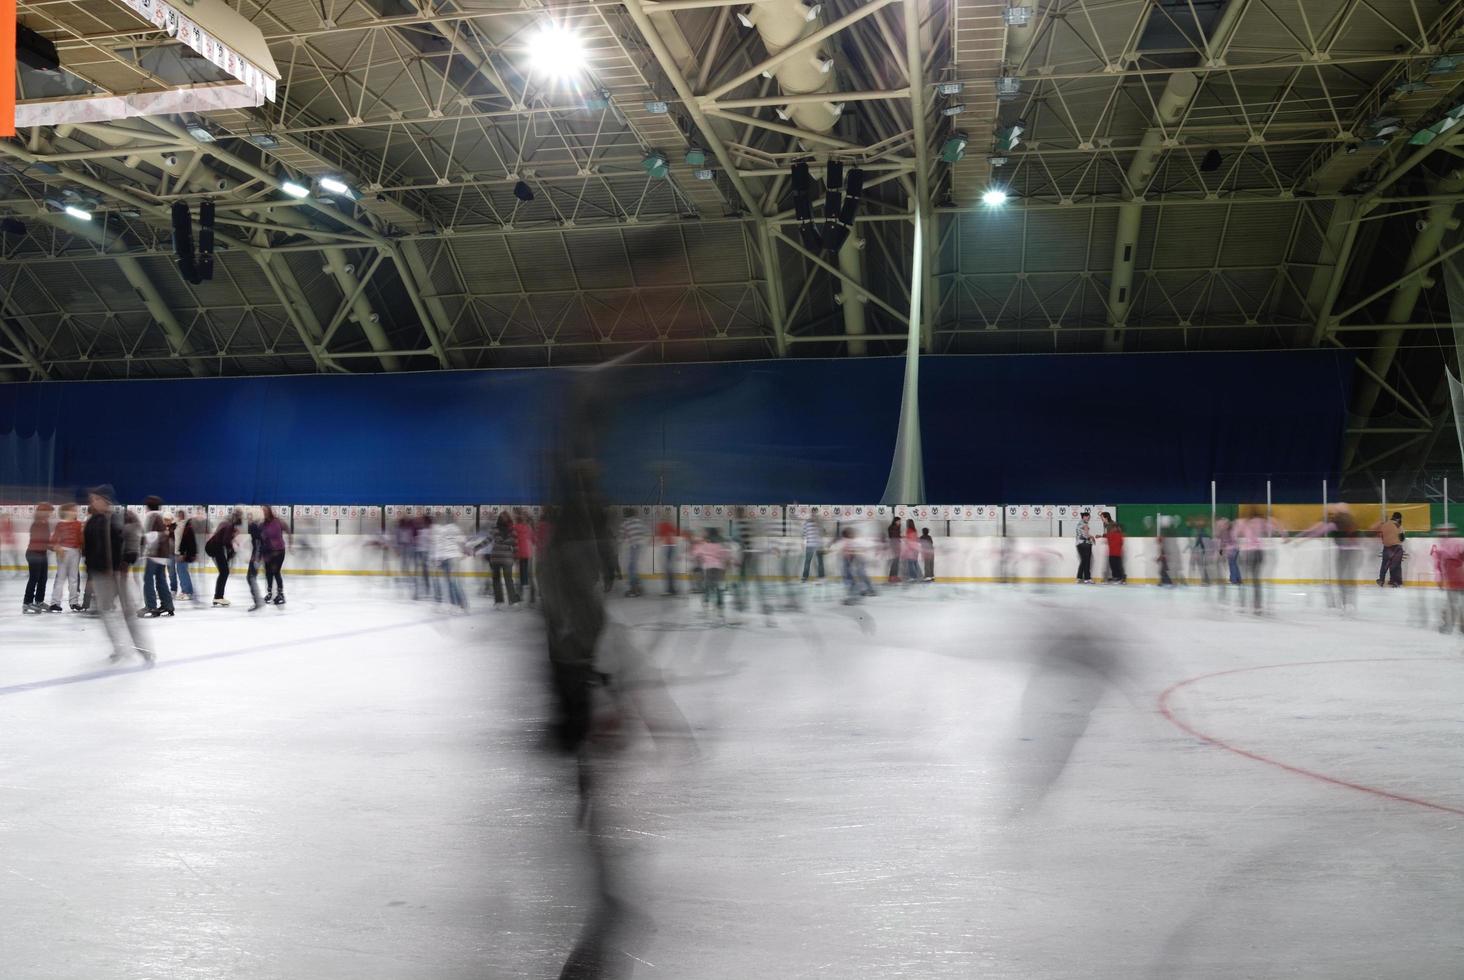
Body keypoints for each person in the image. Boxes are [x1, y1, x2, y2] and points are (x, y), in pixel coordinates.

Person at [83, 485, 151, 663]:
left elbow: (134, 539)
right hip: (100, 575)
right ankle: (118, 647)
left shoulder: (120, 517)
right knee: (105, 612)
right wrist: (89, 576)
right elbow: (87, 551)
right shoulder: (92, 522)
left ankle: (142, 647)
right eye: (92, 499)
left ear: (106, 499)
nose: (93, 502)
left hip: (118, 574)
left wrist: (128, 560)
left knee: (128, 612)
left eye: (96, 499)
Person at [139, 495, 175, 618]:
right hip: (163, 554)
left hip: (154, 554)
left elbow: (151, 535)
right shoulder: (161, 515)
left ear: (148, 506)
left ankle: (151, 606)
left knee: (148, 579)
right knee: (161, 579)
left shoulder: (151, 516)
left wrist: (142, 544)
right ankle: (167, 605)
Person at [205, 509, 242, 606]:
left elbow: (226, 542)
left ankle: (218, 597)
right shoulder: (229, 526)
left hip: (214, 547)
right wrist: (232, 551)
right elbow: (226, 542)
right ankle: (218, 597)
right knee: (224, 572)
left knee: (224, 571)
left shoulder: (228, 525)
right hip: (214, 547)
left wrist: (230, 555)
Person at [22, 503, 54, 613]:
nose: (50, 514)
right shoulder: (36, 524)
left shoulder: (45, 523)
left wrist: (53, 545)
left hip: (42, 554)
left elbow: (46, 540)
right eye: (49, 512)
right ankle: (27, 603)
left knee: (43, 579)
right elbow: (39, 541)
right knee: (34, 578)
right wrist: (54, 547)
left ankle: (39, 601)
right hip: (34, 553)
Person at [431, 514, 468, 609]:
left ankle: (456, 604)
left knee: (450, 582)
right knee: (453, 581)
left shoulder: (441, 530)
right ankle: (460, 603)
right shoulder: (456, 528)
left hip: (447, 558)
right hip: (453, 557)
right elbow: (463, 541)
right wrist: (463, 551)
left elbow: (439, 545)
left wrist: (438, 559)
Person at [52, 503, 83, 611]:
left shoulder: (78, 524)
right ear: (66, 512)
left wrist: (81, 548)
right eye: (73, 510)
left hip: (75, 552)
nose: (75, 512)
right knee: (60, 578)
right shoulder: (60, 525)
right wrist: (57, 547)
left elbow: (80, 538)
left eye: (75, 510)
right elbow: (53, 540)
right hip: (63, 552)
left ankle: (74, 602)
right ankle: (55, 603)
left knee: (73, 578)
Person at [694, 527, 729, 615]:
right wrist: (725, 566)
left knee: (708, 585)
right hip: (719, 568)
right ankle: (720, 603)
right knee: (719, 586)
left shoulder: (704, 545)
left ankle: (706, 601)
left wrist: (700, 560)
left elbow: (697, 554)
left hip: (708, 567)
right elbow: (725, 556)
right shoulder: (720, 545)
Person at [259, 505, 288, 606]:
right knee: (268, 573)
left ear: (269, 512)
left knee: (276, 572)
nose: (263, 513)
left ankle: (280, 594)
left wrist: (291, 542)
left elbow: (287, 528)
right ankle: (269, 593)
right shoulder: (262, 524)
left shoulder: (277, 521)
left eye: (265, 511)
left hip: (279, 551)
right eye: (262, 511)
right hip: (268, 551)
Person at [490, 511, 521, 606]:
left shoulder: (494, 530)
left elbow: (486, 541)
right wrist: (516, 558)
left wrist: (475, 548)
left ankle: (499, 601)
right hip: (507, 558)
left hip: (495, 558)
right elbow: (515, 546)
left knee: (496, 580)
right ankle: (513, 601)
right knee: (508, 579)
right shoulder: (513, 531)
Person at [619, 507, 647, 598]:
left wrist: (618, 543)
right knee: (633, 567)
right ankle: (638, 587)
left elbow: (621, 536)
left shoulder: (625, 523)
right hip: (640, 545)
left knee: (631, 568)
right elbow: (645, 531)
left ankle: (634, 589)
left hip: (634, 546)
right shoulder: (639, 521)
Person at [1374, 511, 1405, 587]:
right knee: (1396, 566)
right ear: (1398, 518)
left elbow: (1382, 536)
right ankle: (1395, 582)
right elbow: (1402, 538)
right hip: (1396, 548)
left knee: (1384, 565)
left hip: (1387, 547)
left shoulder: (1384, 525)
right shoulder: (1398, 525)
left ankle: (1381, 580)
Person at [174, 509, 199, 602]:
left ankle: (187, 592)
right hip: (178, 552)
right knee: (181, 572)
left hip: (182, 553)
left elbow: (186, 541)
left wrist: (182, 553)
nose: (179, 516)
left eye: (181, 514)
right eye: (178, 514)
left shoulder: (185, 526)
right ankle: (186, 591)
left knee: (183, 571)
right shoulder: (178, 524)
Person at [513, 509, 536, 605]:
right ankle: (530, 596)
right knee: (527, 575)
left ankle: (521, 595)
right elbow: (534, 540)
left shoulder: (517, 527)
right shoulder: (529, 528)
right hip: (526, 554)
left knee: (521, 576)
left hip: (522, 554)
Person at [656, 515, 680, 595]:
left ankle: (670, 589)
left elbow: (660, 535)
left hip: (668, 547)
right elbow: (675, 532)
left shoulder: (663, 525)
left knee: (668, 569)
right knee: (669, 568)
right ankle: (671, 589)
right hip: (671, 547)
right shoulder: (668, 524)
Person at [1100, 512, 1126, 584]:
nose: (1101, 519)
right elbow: (1108, 535)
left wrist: (1106, 536)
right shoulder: (1106, 525)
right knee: (1112, 563)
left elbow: (1114, 535)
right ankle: (1115, 577)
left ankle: (1120, 578)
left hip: (1116, 549)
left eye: (1102, 517)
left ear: (1106, 517)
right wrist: (1102, 536)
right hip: (1112, 548)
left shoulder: (1112, 525)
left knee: (1117, 564)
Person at [800, 512, 825, 582]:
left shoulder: (815, 523)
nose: (813, 516)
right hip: (814, 545)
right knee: (809, 562)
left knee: (818, 562)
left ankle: (820, 577)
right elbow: (804, 534)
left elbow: (804, 534)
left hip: (815, 545)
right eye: (813, 515)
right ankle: (806, 577)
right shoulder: (816, 523)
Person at [1074, 510, 1094, 584]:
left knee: (1084, 561)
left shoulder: (1079, 523)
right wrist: (1092, 537)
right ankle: (1087, 578)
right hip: (1085, 544)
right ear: (1084, 517)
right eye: (1088, 517)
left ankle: (1079, 577)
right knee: (1087, 561)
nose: (1089, 519)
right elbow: (1086, 535)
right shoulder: (1084, 524)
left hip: (1079, 544)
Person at [902, 519, 921, 583]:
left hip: (911, 549)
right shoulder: (915, 530)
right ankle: (917, 576)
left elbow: (908, 540)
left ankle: (913, 577)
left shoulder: (908, 530)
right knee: (915, 563)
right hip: (916, 548)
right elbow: (915, 539)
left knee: (910, 564)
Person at [886, 516, 902, 583]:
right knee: (895, 562)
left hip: (894, 545)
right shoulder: (894, 528)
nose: (900, 522)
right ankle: (892, 576)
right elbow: (895, 537)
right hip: (895, 546)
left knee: (896, 562)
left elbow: (895, 537)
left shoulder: (893, 527)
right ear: (895, 521)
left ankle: (893, 576)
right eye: (899, 521)